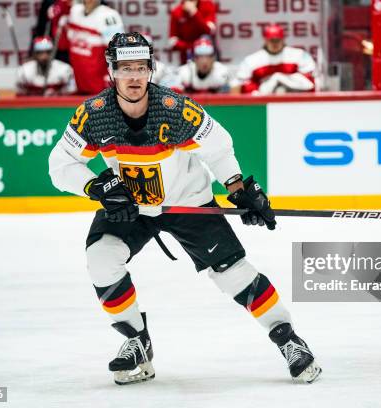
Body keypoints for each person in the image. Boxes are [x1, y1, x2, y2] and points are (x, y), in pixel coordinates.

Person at [48, 32, 322, 385]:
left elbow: (218, 150)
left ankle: (288, 339)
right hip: (130, 206)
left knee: (232, 272)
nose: (134, 76)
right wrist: (96, 186)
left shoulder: (177, 110)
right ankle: (137, 342)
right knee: (101, 257)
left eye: (140, 67)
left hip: (186, 203)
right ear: (112, 71)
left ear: (151, 69)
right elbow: (60, 165)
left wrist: (240, 190)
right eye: (125, 68)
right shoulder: (94, 116)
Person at [232, 24, 316, 95]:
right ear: (265, 40)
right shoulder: (252, 60)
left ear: (283, 40)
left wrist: (282, 79)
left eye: (277, 40)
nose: (274, 44)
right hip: (263, 101)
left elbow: (310, 81)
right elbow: (238, 86)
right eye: (271, 40)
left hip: (294, 98)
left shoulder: (298, 55)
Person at [65, 0, 123, 94]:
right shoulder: (74, 11)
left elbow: (117, 50)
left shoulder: (109, 16)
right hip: (78, 82)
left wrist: (111, 78)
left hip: (99, 85)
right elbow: (64, 43)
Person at [169, 0, 217, 64]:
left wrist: (194, 13)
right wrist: (191, 47)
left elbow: (208, 31)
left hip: (207, 57)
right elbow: (172, 42)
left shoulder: (208, 5)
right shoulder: (176, 12)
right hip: (187, 58)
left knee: (205, 38)